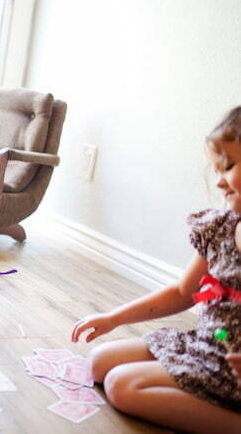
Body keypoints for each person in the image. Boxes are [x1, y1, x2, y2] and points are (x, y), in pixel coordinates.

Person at [71, 107, 241, 432]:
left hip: (232, 369)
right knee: (99, 363)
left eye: (229, 166)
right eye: (217, 169)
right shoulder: (218, 227)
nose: (219, 181)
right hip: (207, 342)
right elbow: (182, 292)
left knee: (124, 386)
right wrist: (113, 318)